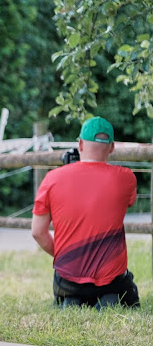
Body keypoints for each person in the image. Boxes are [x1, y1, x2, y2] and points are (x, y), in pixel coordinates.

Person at [31, 116, 140, 310]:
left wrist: (66, 254)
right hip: (112, 280)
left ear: (80, 143)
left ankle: (72, 300)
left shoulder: (52, 179)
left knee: (70, 294)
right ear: (112, 147)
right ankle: (108, 300)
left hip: (67, 281)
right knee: (124, 290)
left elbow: (37, 232)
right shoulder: (127, 177)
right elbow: (129, 202)